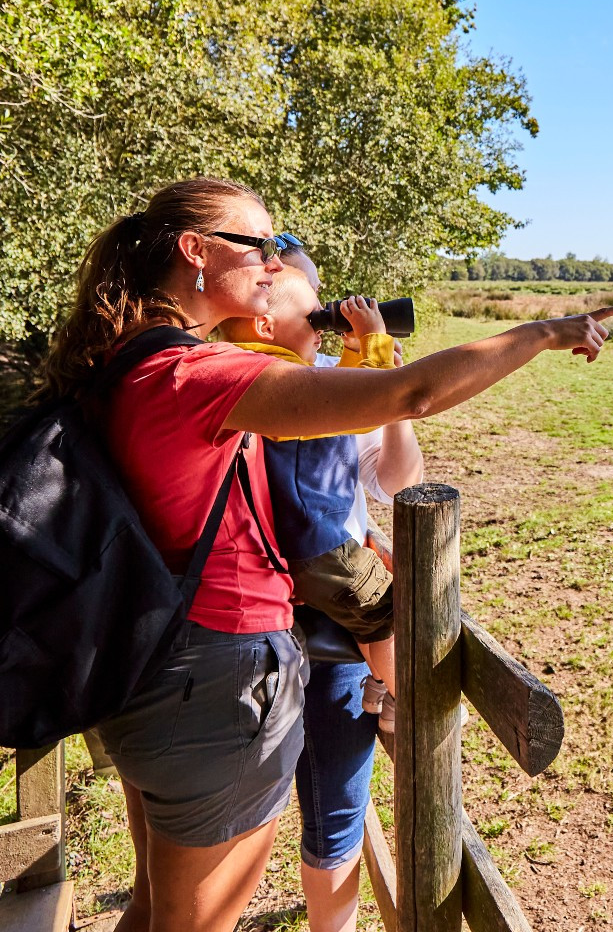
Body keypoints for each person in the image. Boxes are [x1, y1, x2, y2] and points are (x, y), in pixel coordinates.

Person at [41, 177, 613, 932]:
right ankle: (395, 704)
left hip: (147, 665)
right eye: (260, 247)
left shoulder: (133, 361)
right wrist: (545, 332)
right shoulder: (199, 374)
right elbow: (410, 394)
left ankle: (384, 699)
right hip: (217, 682)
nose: (275, 266)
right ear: (194, 252)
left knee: (155, 909)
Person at [219, 252, 415, 932]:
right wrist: (378, 351)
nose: (328, 320)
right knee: (389, 612)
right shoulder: (279, 377)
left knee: (323, 812)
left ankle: (389, 695)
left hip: (277, 603)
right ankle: (398, 700)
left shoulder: (245, 367)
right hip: (306, 580)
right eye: (317, 311)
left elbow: (394, 473)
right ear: (267, 316)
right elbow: (357, 402)